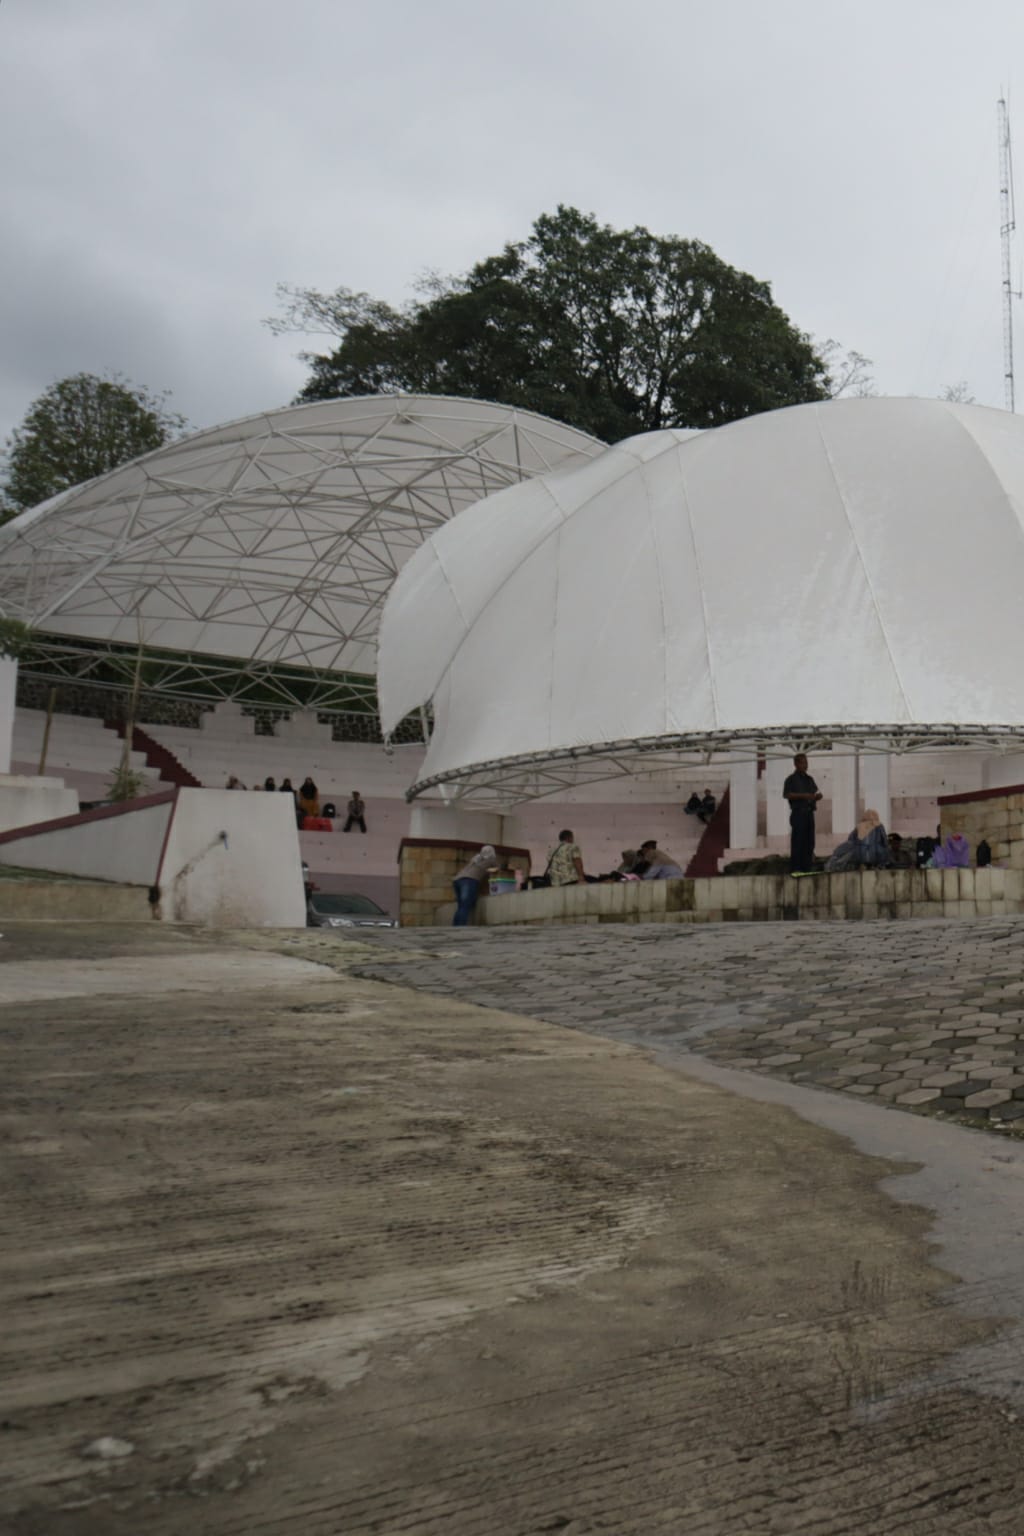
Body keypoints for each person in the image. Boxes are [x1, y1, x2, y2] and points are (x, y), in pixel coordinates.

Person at [783, 753, 822, 874]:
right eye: (803, 763)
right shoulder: (791, 779)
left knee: (809, 841)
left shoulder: (809, 779)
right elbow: (787, 794)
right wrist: (803, 796)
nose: (805, 765)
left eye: (806, 762)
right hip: (798, 813)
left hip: (809, 813)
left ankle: (807, 867)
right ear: (796, 764)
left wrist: (817, 797)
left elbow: (815, 792)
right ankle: (796, 868)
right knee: (798, 841)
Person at [452, 844, 496, 926]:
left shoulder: (476, 858)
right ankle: (460, 927)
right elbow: (495, 869)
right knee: (465, 906)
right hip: (469, 880)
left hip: (457, 880)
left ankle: (455, 926)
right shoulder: (491, 859)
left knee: (461, 906)